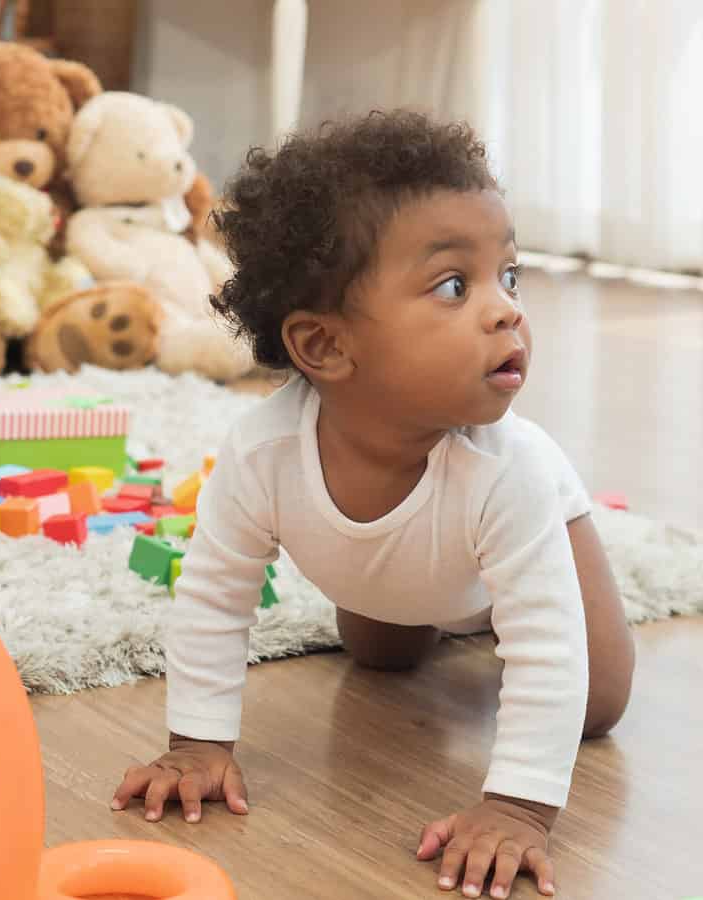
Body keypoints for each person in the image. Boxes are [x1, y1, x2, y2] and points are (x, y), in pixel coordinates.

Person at [111, 109, 635, 899]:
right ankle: (435, 617)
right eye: (456, 286)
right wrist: (196, 744)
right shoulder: (263, 455)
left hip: (527, 535)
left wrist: (518, 807)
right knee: (382, 656)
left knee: (594, 702)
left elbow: (551, 648)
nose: (507, 310)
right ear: (325, 346)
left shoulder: (512, 470)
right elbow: (214, 599)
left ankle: (479, 618)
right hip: (399, 571)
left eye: (510, 275)